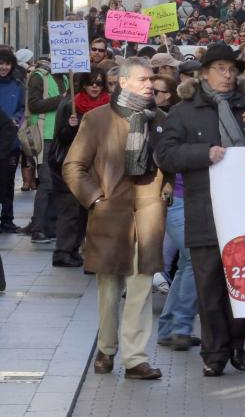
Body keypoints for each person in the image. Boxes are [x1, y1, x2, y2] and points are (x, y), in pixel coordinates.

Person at [154, 44, 245, 377]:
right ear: (204, 73)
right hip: (204, 210)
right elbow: (166, 155)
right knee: (209, 285)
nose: (227, 75)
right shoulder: (184, 112)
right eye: (219, 69)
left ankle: (238, 341)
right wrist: (204, 153)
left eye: (231, 69)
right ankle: (215, 353)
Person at [64, 57, 168, 380]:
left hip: (148, 216)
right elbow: (73, 166)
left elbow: (171, 159)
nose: (150, 84)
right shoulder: (97, 119)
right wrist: (95, 198)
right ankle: (106, 348)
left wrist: (166, 188)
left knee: (141, 288)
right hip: (110, 216)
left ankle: (135, 357)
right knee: (109, 289)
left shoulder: (160, 119)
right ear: (123, 83)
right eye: (142, 79)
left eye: (151, 79)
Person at [49, 70, 109, 268]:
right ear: (83, 85)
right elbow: (61, 137)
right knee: (70, 210)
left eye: (99, 84)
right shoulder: (71, 106)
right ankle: (63, 251)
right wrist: (71, 125)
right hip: (71, 165)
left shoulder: (108, 107)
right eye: (91, 83)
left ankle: (74, 249)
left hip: (93, 167)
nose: (95, 87)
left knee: (84, 211)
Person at [24, 56, 69, 242]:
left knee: (57, 184)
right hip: (45, 136)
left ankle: (51, 227)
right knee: (46, 183)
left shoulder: (66, 79)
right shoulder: (39, 76)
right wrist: (62, 99)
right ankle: (38, 228)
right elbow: (33, 105)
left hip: (61, 135)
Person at [0, 50, 24, 233]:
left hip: (11, 142)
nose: (3, 67)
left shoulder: (18, 85)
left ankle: (7, 219)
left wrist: (17, 118)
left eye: (7, 64)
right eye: (1, 63)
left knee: (8, 181)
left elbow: (23, 108)